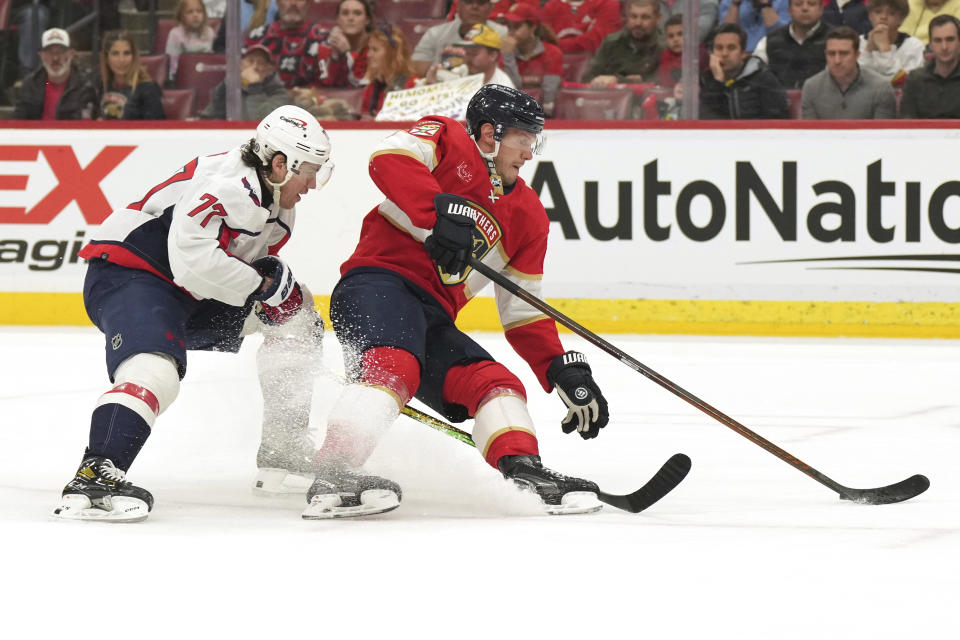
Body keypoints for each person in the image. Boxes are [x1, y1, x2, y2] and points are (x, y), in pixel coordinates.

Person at [300, 84, 610, 520]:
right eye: (523, 138)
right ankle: (333, 472)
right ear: (489, 133)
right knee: (395, 364)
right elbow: (387, 158)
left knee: (494, 383)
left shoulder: (529, 216)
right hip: (376, 283)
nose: (529, 151)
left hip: (431, 316)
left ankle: (526, 471)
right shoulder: (447, 139)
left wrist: (558, 366)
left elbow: (522, 312)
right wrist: (437, 211)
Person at [52, 105, 335, 522]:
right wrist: (263, 289)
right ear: (280, 163)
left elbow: (234, 269)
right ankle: (94, 479)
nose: (312, 184)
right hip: (133, 276)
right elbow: (193, 262)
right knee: (155, 371)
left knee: (299, 324)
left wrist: (281, 297)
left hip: (188, 293)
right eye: (309, 171)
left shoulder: (276, 201)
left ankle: (283, 450)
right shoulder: (226, 185)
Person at [800, 26, 896, 118]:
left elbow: (883, 133)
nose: (837, 61)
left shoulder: (881, 88)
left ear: (857, 55)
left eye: (844, 54)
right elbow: (810, 133)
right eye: (831, 54)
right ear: (825, 55)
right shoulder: (811, 87)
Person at [700, 23, 789, 117]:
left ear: (743, 53)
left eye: (731, 48)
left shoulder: (764, 79)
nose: (724, 53)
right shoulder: (705, 80)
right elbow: (705, 120)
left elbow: (778, 121)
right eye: (719, 48)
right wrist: (717, 81)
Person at [13, 28, 97, 120]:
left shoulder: (85, 87)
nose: (55, 58)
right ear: (41, 56)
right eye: (49, 53)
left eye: (60, 52)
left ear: (71, 54)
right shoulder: (30, 85)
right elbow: (18, 124)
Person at [411, 0, 509, 77]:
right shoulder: (435, 33)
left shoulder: (503, 34)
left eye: (481, 2)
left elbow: (510, 75)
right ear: (457, 6)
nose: (475, 7)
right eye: (468, 1)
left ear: (491, 7)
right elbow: (417, 68)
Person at [499, 3, 564, 117]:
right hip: (511, 114)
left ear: (533, 27)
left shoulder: (553, 52)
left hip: (545, 116)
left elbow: (549, 95)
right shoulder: (505, 53)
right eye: (509, 27)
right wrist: (508, 56)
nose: (511, 32)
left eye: (517, 26)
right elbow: (512, 89)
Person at [584, 0, 664, 86]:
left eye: (645, 17)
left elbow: (662, 82)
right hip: (612, 97)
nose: (638, 23)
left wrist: (619, 80)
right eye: (633, 16)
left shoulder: (665, 46)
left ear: (658, 19)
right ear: (627, 17)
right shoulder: (611, 42)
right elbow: (587, 78)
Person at [201, 44, 293, 119]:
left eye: (261, 63)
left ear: (269, 70)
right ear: (241, 64)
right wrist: (226, 85)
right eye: (250, 61)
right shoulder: (233, 86)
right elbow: (212, 115)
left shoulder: (279, 94)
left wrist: (255, 87)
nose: (254, 67)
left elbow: (262, 121)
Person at [752, 0, 829, 89]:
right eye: (798, 4)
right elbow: (754, 74)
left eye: (811, 4)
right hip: (780, 100)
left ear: (821, 10)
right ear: (790, 11)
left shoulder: (834, 40)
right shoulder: (769, 41)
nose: (804, 8)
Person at [245, 0, 321, 87]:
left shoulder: (321, 39)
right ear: (277, 3)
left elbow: (328, 87)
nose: (293, 3)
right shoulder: (257, 37)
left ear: (307, 4)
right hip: (262, 97)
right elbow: (240, 79)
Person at [298, 0, 373, 88]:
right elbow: (324, 86)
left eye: (357, 13)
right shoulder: (323, 48)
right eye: (345, 13)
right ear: (337, 19)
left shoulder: (378, 47)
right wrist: (334, 56)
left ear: (367, 20)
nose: (351, 18)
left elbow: (363, 84)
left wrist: (347, 54)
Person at [97, 30, 166, 120]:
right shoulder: (103, 85)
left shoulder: (148, 89)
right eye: (115, 54)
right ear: (106, 58)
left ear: (134, 57)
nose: (121, 60)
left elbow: (157, 130)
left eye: (127, 53)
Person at [900, 15, 960, 117]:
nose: (944, 47)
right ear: (930, 44)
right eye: (937, 40)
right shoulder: (915, 80)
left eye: (950, 39)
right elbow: (907, 126)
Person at [423, 24, 517, 87]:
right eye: (467, 52)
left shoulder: (503, 87)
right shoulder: (459, 72)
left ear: (493, 55)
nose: (467, 58)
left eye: (473, 53)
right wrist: (431, 84)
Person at [858, 0, 926, 84]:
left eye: (891, 13)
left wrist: (885, 50)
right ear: (870, 16)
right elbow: (857, 81)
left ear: (901, 19)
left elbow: (907, 83)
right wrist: (868, 51)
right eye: (878, 12)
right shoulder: (858, 42)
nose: (883, 17)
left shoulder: (914, 46)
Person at [360, 25, 419, 119]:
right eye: (369, 49)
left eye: (375, 50)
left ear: (392, 53)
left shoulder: (414, 86)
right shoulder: (371, 88)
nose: (368, 55)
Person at [539, 0, 624, 54]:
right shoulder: (551, 6)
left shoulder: (607, 3)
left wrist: (556, 44)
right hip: (553, 66)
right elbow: (538, 43)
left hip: (595, 68)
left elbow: (599, 43)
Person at [165, 0, 216, 82]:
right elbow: (172, 63)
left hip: (206, 76)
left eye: (199, 11)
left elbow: (214, 59)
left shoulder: (209, 32)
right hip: (183, 77)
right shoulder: (175, 34)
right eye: (190, 12)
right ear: (181, 16)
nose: (195, 15)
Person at [717, 0, 790, 52]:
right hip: (738, 56)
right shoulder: (728, 2)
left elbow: (781, 36)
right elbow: (725, 33)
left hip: (771, 53)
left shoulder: (784, 2)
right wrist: (735, 4)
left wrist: (765, 4)